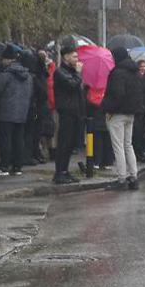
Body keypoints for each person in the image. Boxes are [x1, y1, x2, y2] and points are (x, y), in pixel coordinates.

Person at [100, 45, 145, 189]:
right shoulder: (135, 72)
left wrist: (107, 108)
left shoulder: (118, 73)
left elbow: (116, 95)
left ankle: (121, 179)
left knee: (118, 146)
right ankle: (133, 177)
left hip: (117, 114)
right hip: (131, 114)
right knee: (128, 145)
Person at [0, 45, 33, 176]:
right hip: (22, 112)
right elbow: (30, 93)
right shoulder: (28, 76)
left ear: (8, 60)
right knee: (18, 140)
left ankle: (4, 166)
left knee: (5, 140)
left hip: (6, 112)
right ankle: (17, 166)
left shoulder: (5, 75)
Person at [51, 43, 87, 184]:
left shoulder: (71, 72)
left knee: (70, 144)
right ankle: (60, 172)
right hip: (67, 111)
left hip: (75, 112)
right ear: (66, 57)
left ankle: (65, 171)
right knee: (64, 143)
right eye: (74, 56)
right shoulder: (60, 72)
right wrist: (78, 73)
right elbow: (71, 85)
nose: (77, 59)